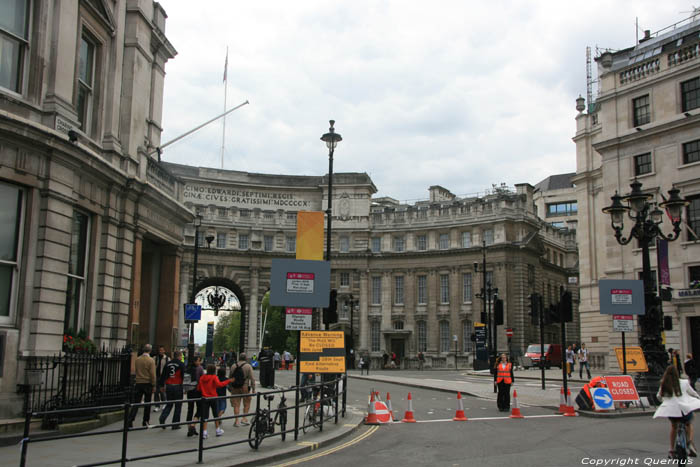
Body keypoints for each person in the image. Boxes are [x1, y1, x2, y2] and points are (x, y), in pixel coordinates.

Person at [654, 365, 700, 458]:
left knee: (674, 427)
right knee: (689, 423)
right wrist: (697, 397)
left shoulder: (664, 383)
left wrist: (664, 400)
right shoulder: (684, 382)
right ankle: (690, 443)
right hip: (683, 410)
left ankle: (671, 449)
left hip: (672, 411)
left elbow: (659, 396)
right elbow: (692, 392)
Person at [197, 364, 231, 438]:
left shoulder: (202, 378)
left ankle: (204, 431)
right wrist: (228, 381)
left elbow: (199, 388)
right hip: (213, 397)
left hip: (205, 397)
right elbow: (219, 384)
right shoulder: (214, 377)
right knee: (215, 414)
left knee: (205, 415)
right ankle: (217, 430)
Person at [129, 344, 156, 428]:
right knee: (147, 403)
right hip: (147, 383)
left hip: (138, 382)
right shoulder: (151, 360)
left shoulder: (137, 359)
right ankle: (145, 421)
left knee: (136, 403)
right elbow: (152, 374)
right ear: (150, 351)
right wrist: (154, 384)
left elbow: (136, 370)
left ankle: (130, 420)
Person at [159, 350, 186, 429]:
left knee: (169, 404)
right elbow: (184, 376)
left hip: (169, 385)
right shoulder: (181, 364)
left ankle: (162, 418)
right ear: (179, 356)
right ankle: (175, 424)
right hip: (177, 386)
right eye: (181, 356)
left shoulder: (168, 364)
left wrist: (161, 385)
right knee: (178, 405)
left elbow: (163, 375)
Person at [229, 352, 255, 427]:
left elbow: (230, 377)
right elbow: (252, 378)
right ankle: (244, 418)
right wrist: (253, 389)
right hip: (245, 386)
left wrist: (230, 387)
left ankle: (236, 421)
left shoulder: (233, 366)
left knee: (236, 404)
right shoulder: (248, 366)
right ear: (246, 358)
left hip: (235, 387)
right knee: (247, 402)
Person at [185, 356, 204, 437]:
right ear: (196, 361)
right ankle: (193, 424)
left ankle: (189, 428)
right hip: (197, 391)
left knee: (190, 409)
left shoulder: (187, 368)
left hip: (189, 391)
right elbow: (202, 379)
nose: (200, 362)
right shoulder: (199, 368)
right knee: (200, 409)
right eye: (199, 361)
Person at [153, 345, 169, 411]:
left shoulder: (167, 358)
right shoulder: (155, 358)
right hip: (156, 376)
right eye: (160, 350)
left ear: (164, 351)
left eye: (162, 350)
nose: (161, 351)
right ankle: (157, 405)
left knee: (163, 391)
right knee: (156, 392)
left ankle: (164, 403)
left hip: (163, 377)